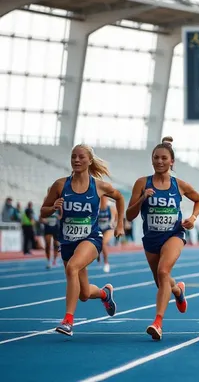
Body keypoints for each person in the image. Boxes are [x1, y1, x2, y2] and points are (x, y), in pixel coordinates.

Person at [40, 144, 125, 336]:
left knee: (72, 268)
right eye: (73, 157)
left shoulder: (99, 186)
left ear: (90, 161)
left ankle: (68, 321)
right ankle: (105, 293)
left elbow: (119, 198)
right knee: (84, 294)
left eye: (81, 157)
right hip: (68, 242)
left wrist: (119, 224)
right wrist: (53, 207)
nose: (76, 160)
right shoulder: (61, 185)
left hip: (91, 239)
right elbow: (43, 211)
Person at [125, 136, 199, 341]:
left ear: (171, 162)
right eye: (156, 158)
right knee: (162, 281)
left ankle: (157, 323)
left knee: (163, 271)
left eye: (163, 158)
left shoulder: (179, 185)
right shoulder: (142, 183)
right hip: (151, 238)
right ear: (152, 160)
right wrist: (143, 198)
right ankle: (178, 291)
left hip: (174, 234)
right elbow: (129, 216)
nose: (159, 161)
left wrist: (193, 217)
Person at [41, 186, 61, 269]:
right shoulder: (45, 200)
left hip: (55, 225)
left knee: (56, 244)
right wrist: (42, 219)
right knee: (48, 244)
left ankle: (55, 260)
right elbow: (42, 211)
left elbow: (62, 213)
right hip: (48, 225)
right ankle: (48, 261)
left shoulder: (58, 200)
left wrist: (59, 217)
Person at [97, 196, 116, 273]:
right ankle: (97, 254)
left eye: (105, 199)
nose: (104, 200)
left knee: (103, 243)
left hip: (108, 228)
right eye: (102, 199)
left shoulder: (111, 208)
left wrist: (114, 223)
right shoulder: (96, 208)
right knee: (97, 244)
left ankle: (106, 263)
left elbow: (117, 217)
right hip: (98, 228)